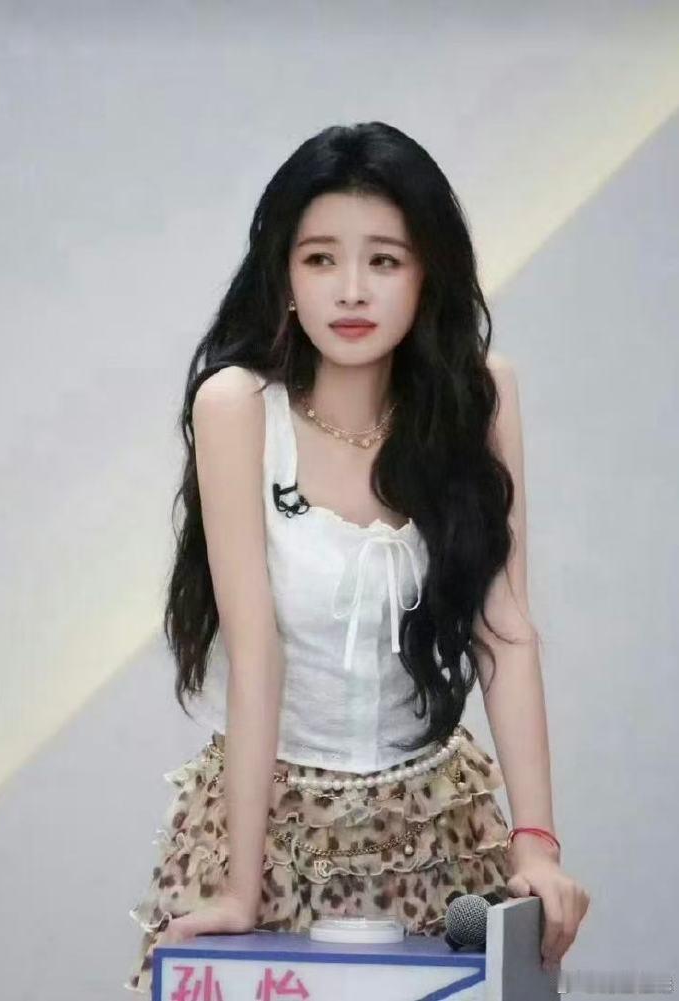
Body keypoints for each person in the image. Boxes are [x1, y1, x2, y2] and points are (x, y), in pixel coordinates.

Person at [124, 121, 590, 996]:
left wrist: (535, 844)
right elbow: (256, 652)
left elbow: (504, 630)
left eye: (383, 260)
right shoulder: (237, 406)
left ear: (427, 275)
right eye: (319, 259)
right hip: (267, 820)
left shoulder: (478, 399)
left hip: (434, 825)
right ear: (282, 276)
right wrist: (241, 885)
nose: (350, 289)